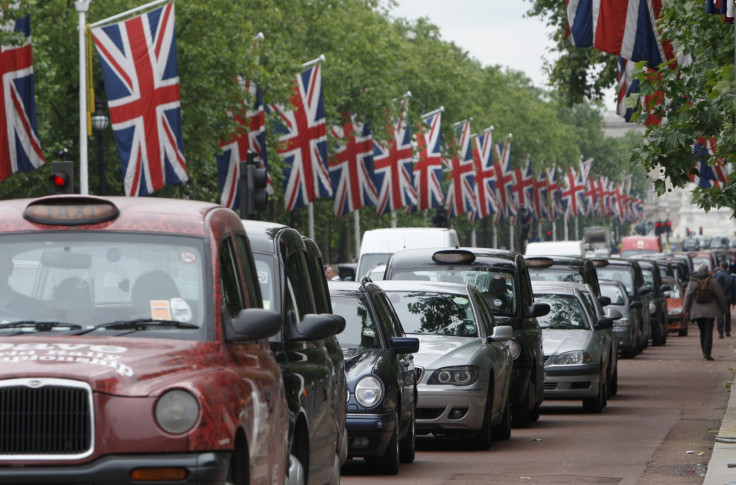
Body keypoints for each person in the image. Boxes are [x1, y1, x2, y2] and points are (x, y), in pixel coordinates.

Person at [684, 263, 728, 360]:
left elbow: (688, 296)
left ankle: (704, 350)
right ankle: (707, 352)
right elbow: (720, 296)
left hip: (697, 311)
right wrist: (724, 309)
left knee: (702, 331)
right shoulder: (712, 281)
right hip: (710, 311)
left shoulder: (693, 281)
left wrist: (686, 310)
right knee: (709, 331)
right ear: (708, 270)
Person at [713, 261, 735, 337]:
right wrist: (734, 301)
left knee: (719, 315)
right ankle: (727, 331)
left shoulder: (716, 276)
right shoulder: (730, 277)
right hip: (727, 298)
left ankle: (720, 332)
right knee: (727, 314)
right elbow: (733, 290)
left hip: (719, 298)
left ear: (721, 267)